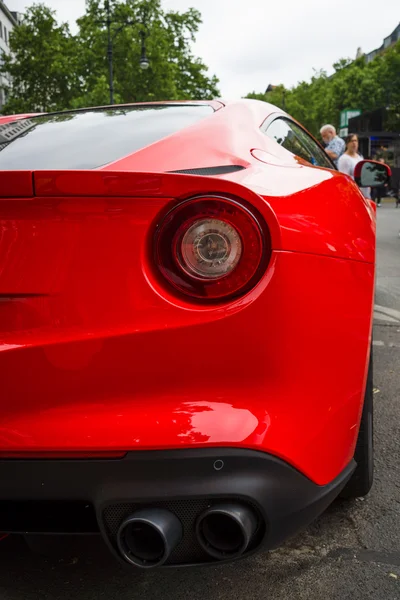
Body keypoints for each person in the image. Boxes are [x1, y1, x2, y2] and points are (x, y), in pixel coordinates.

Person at [337, 134, 371, 199]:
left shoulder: (360, 157)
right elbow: (344, 180)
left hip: (364, 194)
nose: (354, 143)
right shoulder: (344, 159)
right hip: (354, 195)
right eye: (351, 141)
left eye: (355, 141)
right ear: (347, 144)